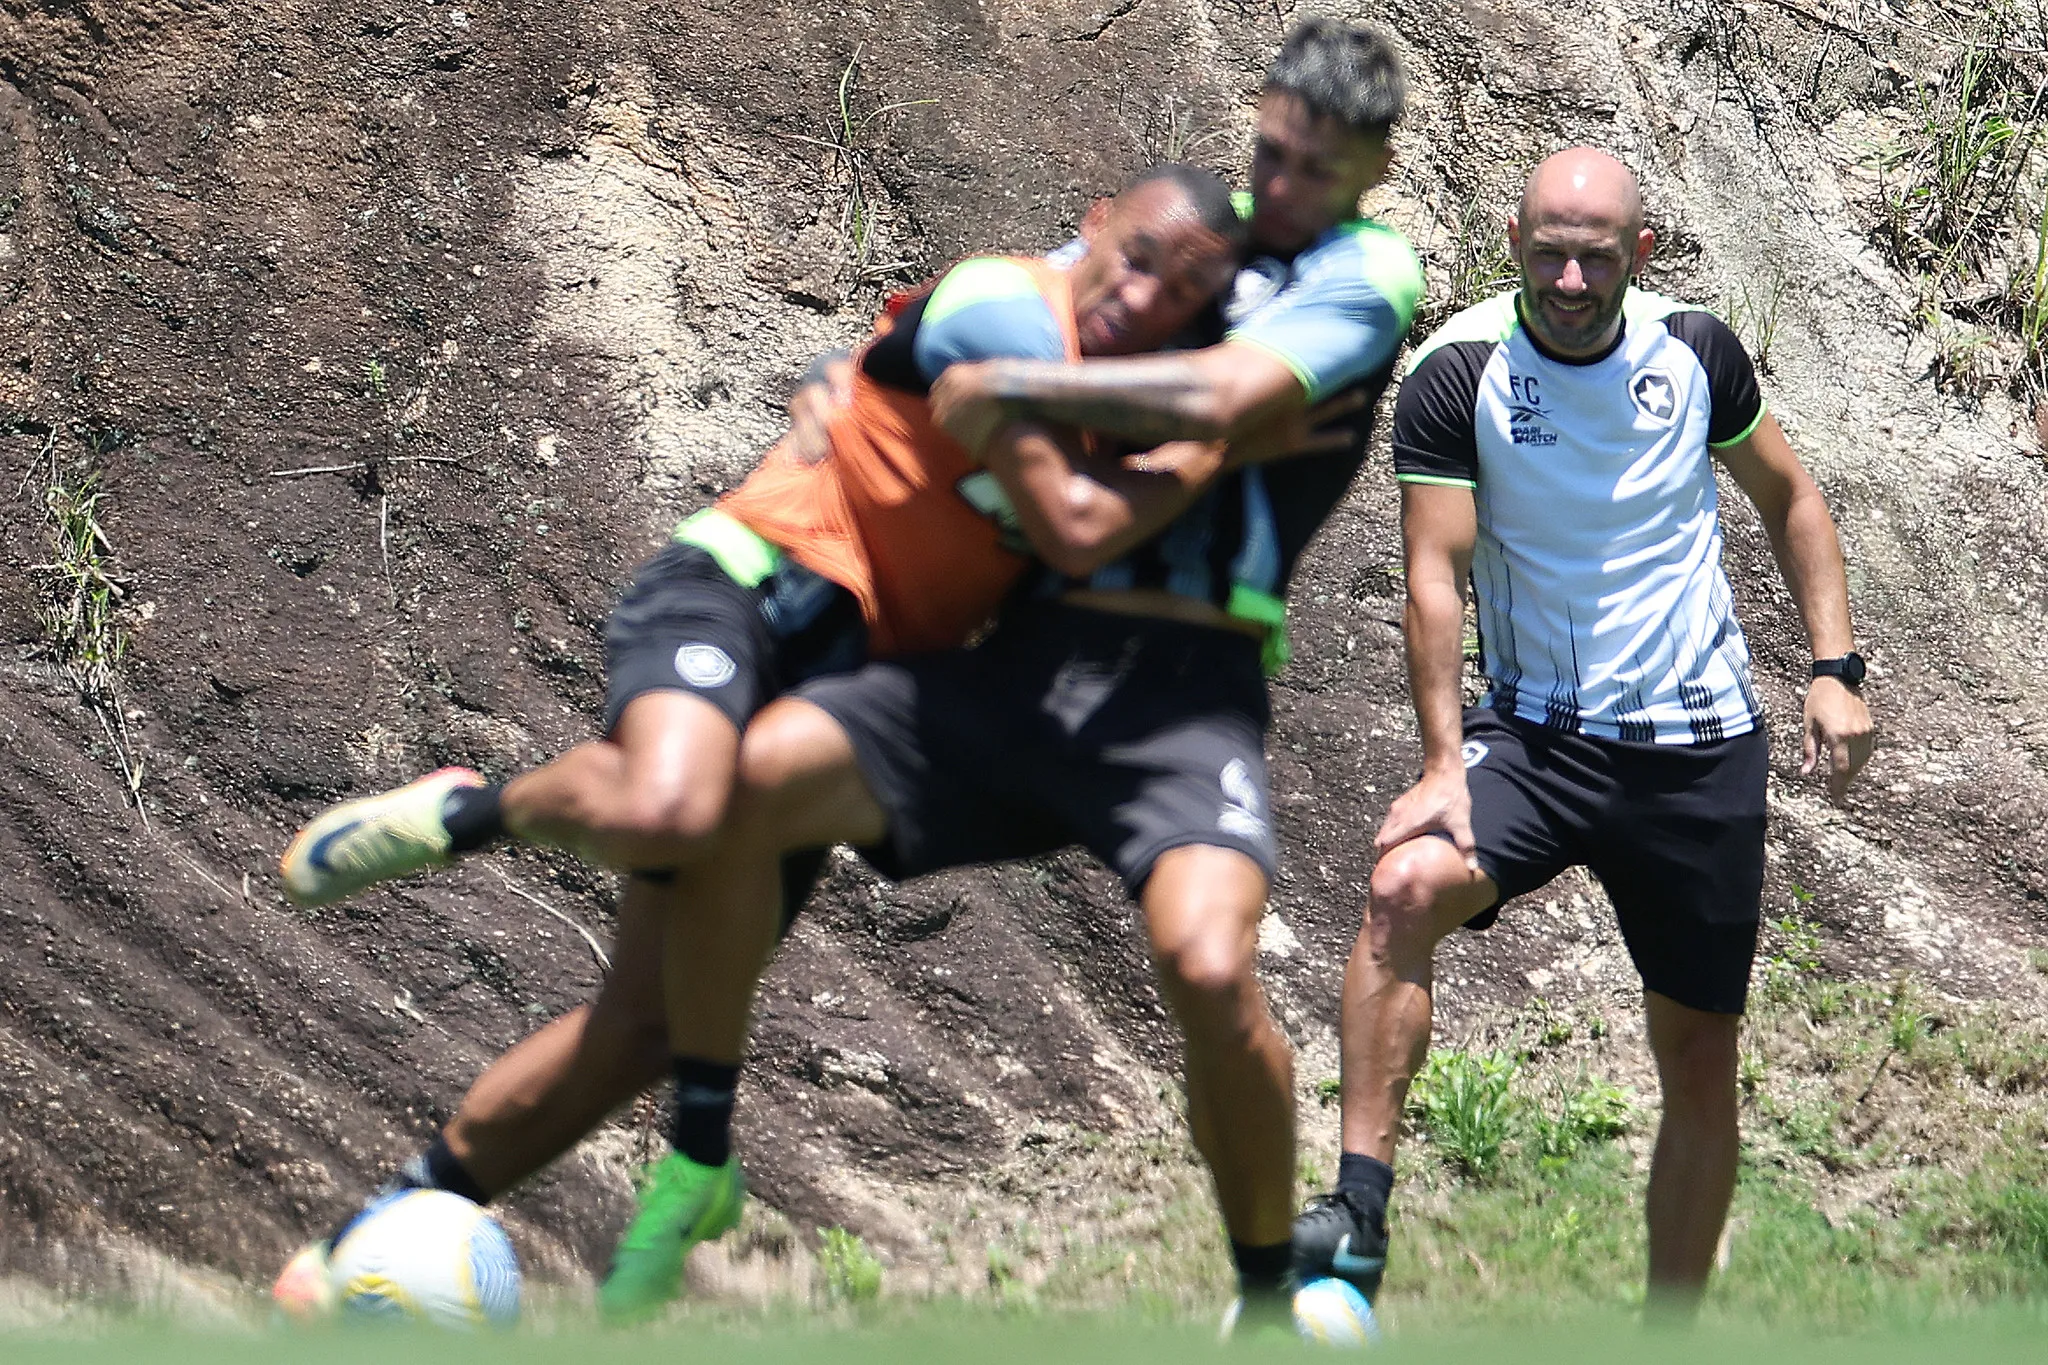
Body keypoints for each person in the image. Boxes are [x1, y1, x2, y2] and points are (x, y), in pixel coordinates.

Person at [269, 164, 1247, 1312]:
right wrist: (1204, 434)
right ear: (1093, 227)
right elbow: (1079, 514)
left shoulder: (1134, 396)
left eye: (1182, 292)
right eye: (1136, 258)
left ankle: (363, 1240)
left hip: (832, 704)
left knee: (642, 1028)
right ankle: (466, 810)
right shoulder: (1003, 304)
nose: (1143, 297)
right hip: (741, 586)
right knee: (674, 801)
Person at [600, 17, 1420, 1329]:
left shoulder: (1366, 267)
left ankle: (1267, 1296)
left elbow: (1215, 399)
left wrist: (1004, 387)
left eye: (1314, 170)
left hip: (1187, 681)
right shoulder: (1196, 244)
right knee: (748, 785)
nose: (1281, 190)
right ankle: (701, 1145)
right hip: (1024, 651)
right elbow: (999, 308)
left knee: (1209, 969)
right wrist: (853, 374)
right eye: (1270, 153)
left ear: (1375, 170)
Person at [1289, 146, 1876, 1316]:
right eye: (1547, 252)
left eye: (1593, 256)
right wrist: (1446, 765)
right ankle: (1356, 1214)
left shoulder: (1695, 350)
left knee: (1698, 1053)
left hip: (1699, 752)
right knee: (1405, 887)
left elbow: (1790, 498)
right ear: (1511, 242)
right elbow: (1433, 578)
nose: (1567, 278)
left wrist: (1832, 668)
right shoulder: (1458, 372)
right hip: (1538, 742)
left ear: (1637, 255)